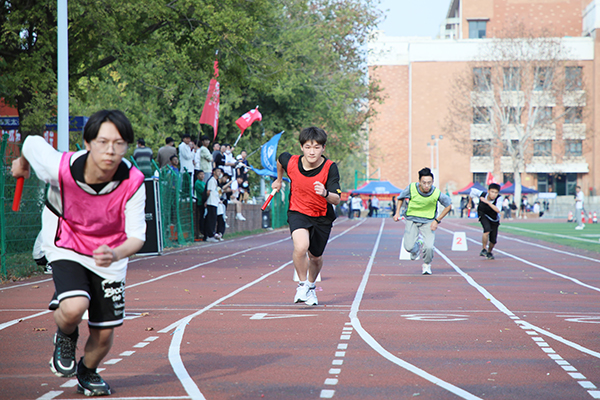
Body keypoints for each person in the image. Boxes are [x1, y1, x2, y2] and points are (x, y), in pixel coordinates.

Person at [11, 109, 146, 396]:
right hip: (66, 241)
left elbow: (137, 237)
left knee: (104, 334)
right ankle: (66, 334)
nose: (110, 151)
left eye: (119, 143)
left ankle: (87, 370)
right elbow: (31, 142)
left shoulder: (133, 182)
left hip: (108, 251)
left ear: (126, 146)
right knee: (74, 307)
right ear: (87, 143)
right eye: (102, 142)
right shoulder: (59, 168)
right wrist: (21, 164)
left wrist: (115, 253)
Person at [272, 127, 341, 306]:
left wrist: (325, 193)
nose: (312, 152)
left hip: (321, 216)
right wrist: (278, 180)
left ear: (323, 148)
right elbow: (280, 159)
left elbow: (337, 199)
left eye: (317, 147)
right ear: (301, 147)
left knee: (315, 257)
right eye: (308, 147)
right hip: (298, 211)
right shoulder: (291, 162)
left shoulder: (330, 167)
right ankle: (302, 285)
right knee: (301, 246)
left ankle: (311, 286)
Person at [393, 167, 452, 275]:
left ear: (432, 182)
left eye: (429, 183)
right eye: (424, 183)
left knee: (429, 247)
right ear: (419, 181)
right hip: (412, 219)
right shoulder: (411, 188)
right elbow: (401, 198)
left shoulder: (436, 193)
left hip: (428, 221)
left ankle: (426, 265)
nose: (426, 185)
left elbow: (448, 206)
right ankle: (417, 247)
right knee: (408, 247)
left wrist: (437, 220)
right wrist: (397, 213)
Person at [467, 183, 501, 260]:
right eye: (492, 192)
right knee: (487, 229)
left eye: (496, 193)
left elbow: (498, 210)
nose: (494, 194)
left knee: (493, 240)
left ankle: (489, 252)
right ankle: (484, 249)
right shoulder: (481, 193)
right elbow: (472, 192)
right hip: (483, 214)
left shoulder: (499, 199)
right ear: (488, 191)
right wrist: (469, 203)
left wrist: (487, 202)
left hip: (494, 218)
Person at [204, 168, 222, 242]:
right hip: (211, 202)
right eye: (217, 171)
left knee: (214, 219)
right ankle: (209, 235)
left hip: (215, 202)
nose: (219, 173)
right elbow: (208, 191)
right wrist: (208, 199)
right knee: (211, 219)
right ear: (214, 172)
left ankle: (212, 233)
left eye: (220, 171)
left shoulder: (215, 181)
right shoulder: (211, 180)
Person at [194, 170, 206, 241]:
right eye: (200, 174)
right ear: (197, 176)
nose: (202, 176)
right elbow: (203, 191)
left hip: (205, 201)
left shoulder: (203, 183)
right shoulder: (197, 183)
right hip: (201, 202)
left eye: (203, 174)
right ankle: (201, 231)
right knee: (201, 217)